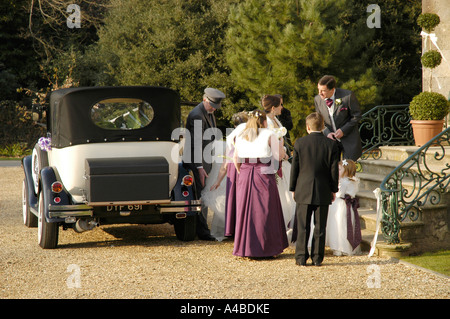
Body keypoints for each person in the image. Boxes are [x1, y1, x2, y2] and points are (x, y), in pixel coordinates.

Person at [232, 110, 288, 257]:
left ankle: (246, 248)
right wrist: (281, 145)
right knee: (265, 210)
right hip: (263, 173)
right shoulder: (269, 135)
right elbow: (278, 156)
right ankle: (267, 249)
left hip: (245, 173)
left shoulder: (241, 135)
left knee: (246, 211)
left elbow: (236, 158)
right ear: (264, 122)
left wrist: (242, 172)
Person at [290, 112, 340, 266]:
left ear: (307, 127)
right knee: (320, 226)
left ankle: (300, 258)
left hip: (303, 189)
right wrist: (333, 189)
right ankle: (317, 258)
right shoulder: (331, 144)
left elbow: (295, 169)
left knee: (303, 226)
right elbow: (334, 170)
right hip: (323, 189)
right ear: (323, 127)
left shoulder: (300, 143)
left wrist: (293, 188)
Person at [184, 87, 226, 241]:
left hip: (205, 160)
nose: (214, 109)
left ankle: (201, 229)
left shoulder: (207, 112)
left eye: (216, 106)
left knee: (203, 194)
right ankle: (202, 232)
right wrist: (200, 168)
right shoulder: (197, 115)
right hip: (198, 162)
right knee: (201, 195)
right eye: (212, 105)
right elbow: (196, 145)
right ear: (204, 99)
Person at [202, 112, 248, 241]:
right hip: (246, 169)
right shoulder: (251, 137)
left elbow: (225, 164)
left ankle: (233, 229)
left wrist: (218, 180)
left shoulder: (232, 137)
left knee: (233, 199)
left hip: (234, 170)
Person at [262, 95, 296, 241]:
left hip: (283, 159)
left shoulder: (275, 119)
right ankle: (277, 227)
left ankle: (288, 227)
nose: (283, 108)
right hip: (274, 162)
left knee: (288, 193)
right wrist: (280, 154)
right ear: (273, 108)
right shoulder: (267, 122)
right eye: (280, 105)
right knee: (280, 195)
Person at [314, 75, 363, 161]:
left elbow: (357, 115)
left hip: (349, 141)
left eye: (323, 90)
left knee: (348, 172)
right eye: (318, 89)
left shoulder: (348, 96)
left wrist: (343, 130)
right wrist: (327, 133)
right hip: (330, 143)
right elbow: (319, 120)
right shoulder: (317, 99)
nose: (319, 93)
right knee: (332, 172)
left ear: (332, 89)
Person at [326, 159, 362, 256]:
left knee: (338, 226)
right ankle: (346, 247)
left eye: (339, 169)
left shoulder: (343, 182)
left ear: (347, 170)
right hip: (348, 206)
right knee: (346, 225)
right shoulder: (354, 180)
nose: (337, 172)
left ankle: (339, 247)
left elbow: (339, 193)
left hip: (340, 205)